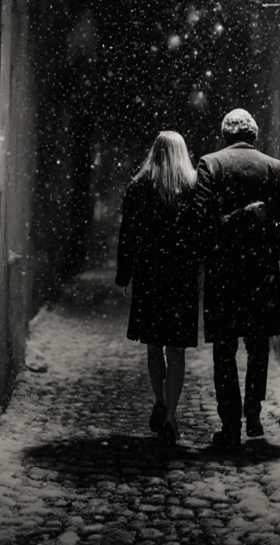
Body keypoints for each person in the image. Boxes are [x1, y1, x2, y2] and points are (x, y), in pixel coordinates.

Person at [194, 108, 280, 451]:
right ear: (253, 135)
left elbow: (203, 223)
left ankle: (230, 425)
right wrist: (268, 252)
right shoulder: (275, 167)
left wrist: (232, 223)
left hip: (225, 273)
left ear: (226, 135)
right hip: (260, 273)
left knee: (224, 352)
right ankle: (253, 415)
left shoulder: (210, 164)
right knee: (258, 348)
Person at [115, 131, 203, 446]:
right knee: (176, 350)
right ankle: (170, 416)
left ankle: (160, 400)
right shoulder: (194, 188)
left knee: (154, 346)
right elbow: (201, 234)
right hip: (181, 278)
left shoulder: (138, 188)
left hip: (150, 276)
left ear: (155, 152)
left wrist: (124, 275)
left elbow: (128, 235)